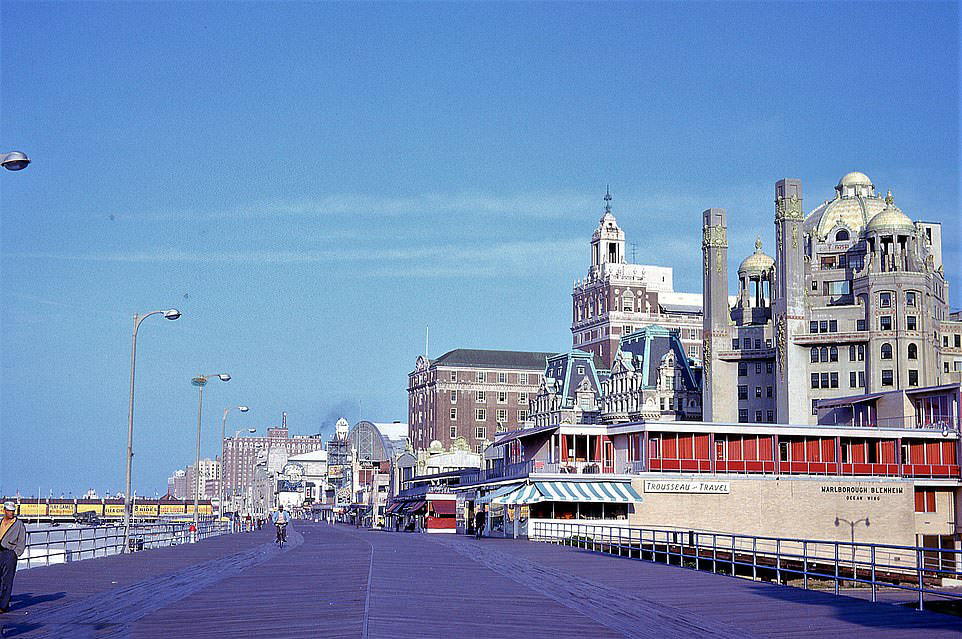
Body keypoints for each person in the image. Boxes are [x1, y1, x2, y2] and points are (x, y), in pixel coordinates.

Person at [0, 502, 27, 614]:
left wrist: (15, 553)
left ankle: (3, 606)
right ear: (4, 510)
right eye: (9, 510)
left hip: (9, 553)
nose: (11, 513)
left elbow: (21, 541)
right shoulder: (1, 522)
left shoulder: (18, 524)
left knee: (7, 580)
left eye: (13, 511)